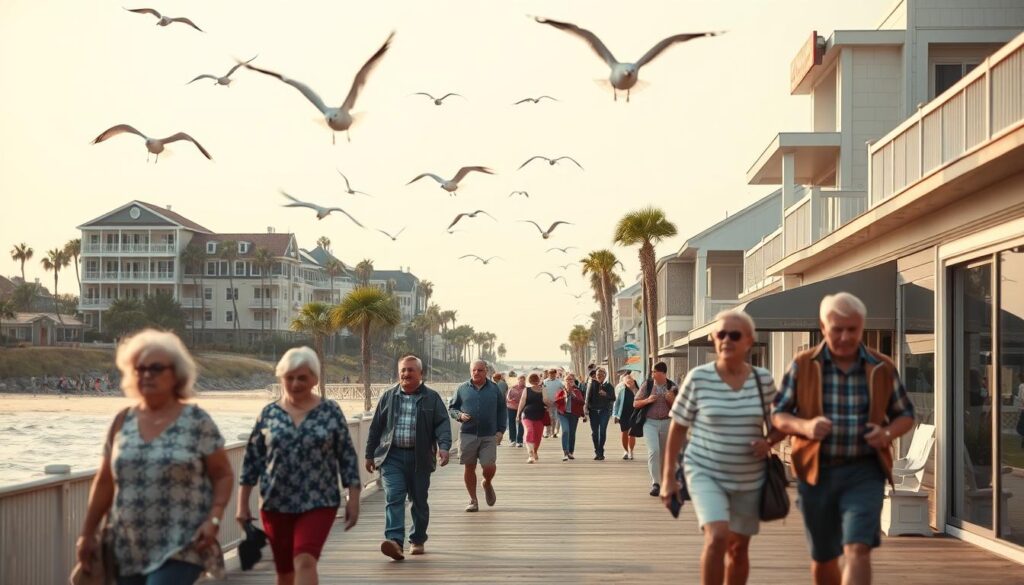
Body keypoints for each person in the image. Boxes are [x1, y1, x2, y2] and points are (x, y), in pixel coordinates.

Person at [772, 292, 915, 585]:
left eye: (853, 329)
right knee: (824, 557)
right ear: (823, 327)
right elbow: (779, 415)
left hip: (865, 471)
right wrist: (806, 426)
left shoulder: (882, 366)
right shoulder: (803, 364)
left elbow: (905, 415)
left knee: (857, 547)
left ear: (862, 326)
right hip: (816, 471)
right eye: (838, 329)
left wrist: (886, 433)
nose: (846, 336)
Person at [75, 329, 232, 585]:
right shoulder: (122, 421)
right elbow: (105, 482)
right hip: (127, 546)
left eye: (156, 368)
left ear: (176, 374)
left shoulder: (197, 421)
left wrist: (214, 519)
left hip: (182, 543)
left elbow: (223, 474)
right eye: (140, 368)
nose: (147, 374)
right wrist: (87, 533)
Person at [661, 310, 785, 585]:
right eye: (721, 334)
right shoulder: (698, 378)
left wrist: (769, 442)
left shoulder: (762, 379)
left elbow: (781, 421)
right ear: (713, 338)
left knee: (738, 549)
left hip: (749, 476)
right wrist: (669, 477)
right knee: (717, 537)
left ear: (749, 341)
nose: (727, 340)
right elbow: (679, 426)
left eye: (735, 335)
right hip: (705, 470)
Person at [238, 347, 362, 585]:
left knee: (305, 559)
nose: (295, 383)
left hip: (319, 500)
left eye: (302, 377)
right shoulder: (269, 414)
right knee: (285, 572)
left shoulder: (330, 411)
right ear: (281, 378)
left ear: (314, 379)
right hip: (275, 502)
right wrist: (242, 506)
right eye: (289, 377)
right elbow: (251, 461)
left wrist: (353, 497)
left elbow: (346, 455)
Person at [365, 355, 452, 560]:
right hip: (391, 456)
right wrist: (369, 455)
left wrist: (444, 447)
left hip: (420, 457)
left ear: (421, 374)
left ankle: (418, 538)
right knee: (394, 496)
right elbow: (376, 427)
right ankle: (395, 541)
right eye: (403, 370)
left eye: (411, 370)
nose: (406, 374)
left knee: (419, 500)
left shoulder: (432, 398)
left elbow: (442, 425)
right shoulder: (388, 397)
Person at [448, 360, 506, 512]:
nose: (476, 373)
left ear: (486, 371)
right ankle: (473, 500)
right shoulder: (461, 388)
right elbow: (452, 408)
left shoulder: (494, 389)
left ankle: (487, 482)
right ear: (470, 371)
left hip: (489, 434)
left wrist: (501, 431)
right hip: (468, 433)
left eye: (480, 370)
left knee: (489, 466)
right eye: (474, 370)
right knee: (469, 466)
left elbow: (502, 410)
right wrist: (459, 415)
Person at [634, 361, 678, 496]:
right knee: (654, 450)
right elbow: (635, 403)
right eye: (652, 372)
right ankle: (656, 483)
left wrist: (671, 399)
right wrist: (647, 400)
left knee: (664, 454)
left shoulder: (673, 386)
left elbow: (680, 407)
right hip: (650, 423)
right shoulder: (647, 385)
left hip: (667, 422)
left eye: (655, 371)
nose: (652, 374)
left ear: (663, 373)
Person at [517, 372, 550, 463]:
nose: (535, 381)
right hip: (527, 415)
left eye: (536, 379)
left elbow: (547, 401)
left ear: (539, 381)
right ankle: (530, 454)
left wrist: (544, 393)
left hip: (540, 416)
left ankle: (535, 451)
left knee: (538, 437)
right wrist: (518, 414)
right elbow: (522, 402)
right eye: (532, 380)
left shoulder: (543, 389)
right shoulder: (526, 390)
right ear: (530, 381)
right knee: (529, 431)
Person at [585, 368, 616, 460]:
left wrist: (606, 394)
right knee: (595, 433)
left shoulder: (609, 386)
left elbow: (613, 398)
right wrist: (586, 410)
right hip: (593, 411)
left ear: (605, 375)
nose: (599, 376)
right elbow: (587, 399)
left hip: (604, 411)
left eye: (601, 374)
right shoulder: (591, 384)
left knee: (602, 431)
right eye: (598, 374)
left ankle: (600, 451)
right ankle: (597, 451)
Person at [555, 372, 586, 461]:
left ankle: (570, 452)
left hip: (573, 414)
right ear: (564, 381)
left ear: (573, 381)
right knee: (565, 431)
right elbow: (556, 401)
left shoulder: (577, 391)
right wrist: (565, 396)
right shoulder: (561, 390)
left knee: (572, 433)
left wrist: (573, 395)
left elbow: (581, 402)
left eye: (571, 380)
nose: (569, 381)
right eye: (567, 379)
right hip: (563, 414)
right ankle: (565, 452)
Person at [613, 374, 637, 460]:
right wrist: (615, 415)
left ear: (634, 382)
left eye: (631, 381)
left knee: (632, 434)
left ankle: (631, 451)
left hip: (634, 414)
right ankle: (625, 451)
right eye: (627, 381)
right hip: (623, 414)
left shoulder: (638, 390)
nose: (629, 382)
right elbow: (617, 403)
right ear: (624, 383)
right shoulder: (621, 391)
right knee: (624, 433)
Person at [542, 369, 565, 438]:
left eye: (553, 374)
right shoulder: (544, 382)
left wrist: (560, 399)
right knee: (548, 418)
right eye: (550, 374)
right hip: (547, 403)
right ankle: (547, 432)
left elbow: (564, 390)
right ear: (548, 374)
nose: (552, 375)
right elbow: (542, 391)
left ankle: (553, 432)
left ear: (555, 374)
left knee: (555, 418)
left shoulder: (559, 382)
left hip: (556, 403)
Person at [505, 374, 526, 447]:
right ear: (518, 380)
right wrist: (511, 400)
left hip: (522, 408)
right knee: (511, 423)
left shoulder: (526, 389)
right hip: (512, 407)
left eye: (523, 381)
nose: (521, 382)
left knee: (521, 423)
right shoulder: (512, 388)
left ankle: (519, 441)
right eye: (520, 380)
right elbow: (507, 397)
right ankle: (512, 440)